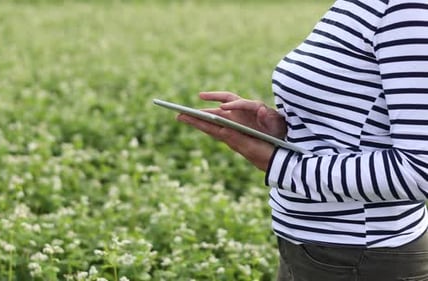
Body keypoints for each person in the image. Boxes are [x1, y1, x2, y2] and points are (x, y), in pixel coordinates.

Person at [176, 0, 428, 280]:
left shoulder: (408, 10)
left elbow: (419, 170)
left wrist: (278, 164)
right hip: (312, 248)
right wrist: (283, 131)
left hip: (359, 256)